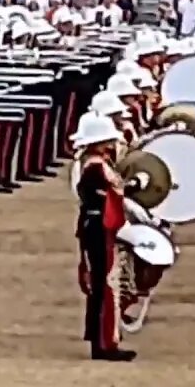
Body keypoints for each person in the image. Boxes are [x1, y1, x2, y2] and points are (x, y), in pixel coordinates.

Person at [71, 112, 135, 362]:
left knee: (100, 284)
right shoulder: (95, 167)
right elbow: (112, 193)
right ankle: (105, 342)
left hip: (94, 224)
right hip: (99, 226)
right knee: (105, 285)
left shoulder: (92, 163)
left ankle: (101, 339)